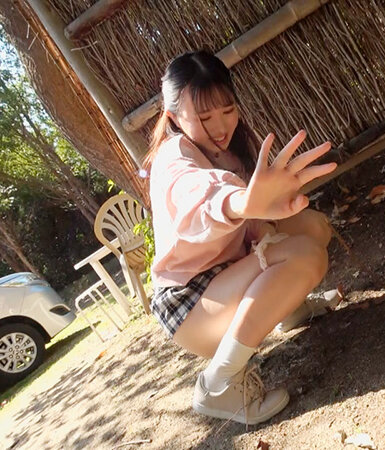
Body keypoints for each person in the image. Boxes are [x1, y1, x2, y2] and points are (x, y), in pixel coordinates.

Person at [141, 50, 339, 425]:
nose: (220, 126)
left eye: (227, 110)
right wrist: (242, 203)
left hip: (227, 275)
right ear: (174, 118)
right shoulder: (173, 158)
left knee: (313, 227)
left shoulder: (227, 149)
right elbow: (200, 198)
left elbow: (251, 224)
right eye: (204, 117)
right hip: (193, 305)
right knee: (304, 255)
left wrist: (262, 217)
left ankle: (290, 309)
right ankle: (219, 385)